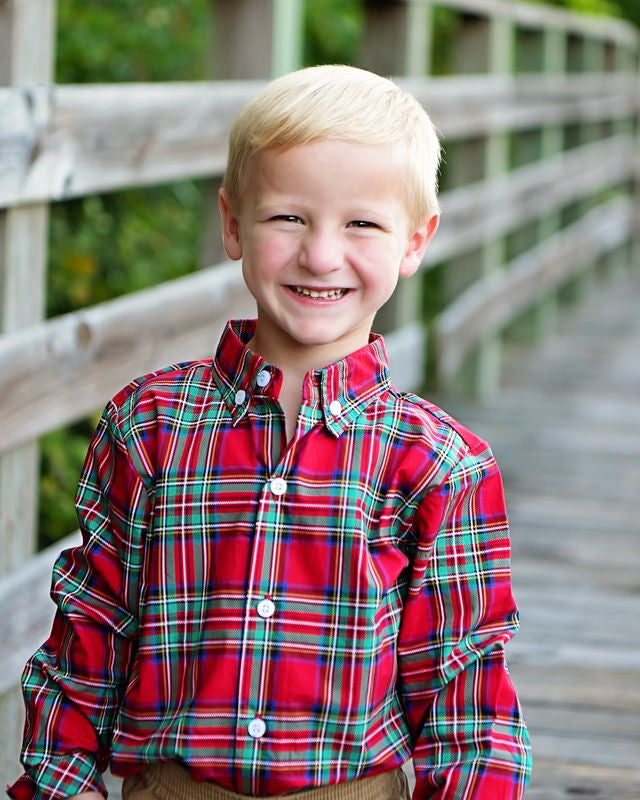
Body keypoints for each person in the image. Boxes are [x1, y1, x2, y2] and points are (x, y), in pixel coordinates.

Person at [8, 65, 531, 800]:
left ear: (415, 241)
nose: (320, 254)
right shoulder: (150, 423)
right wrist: (61, 785)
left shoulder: (442, 463)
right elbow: (92, 627)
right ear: (232, 224)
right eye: (288, 216)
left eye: (362, 223)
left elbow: (464, 686)